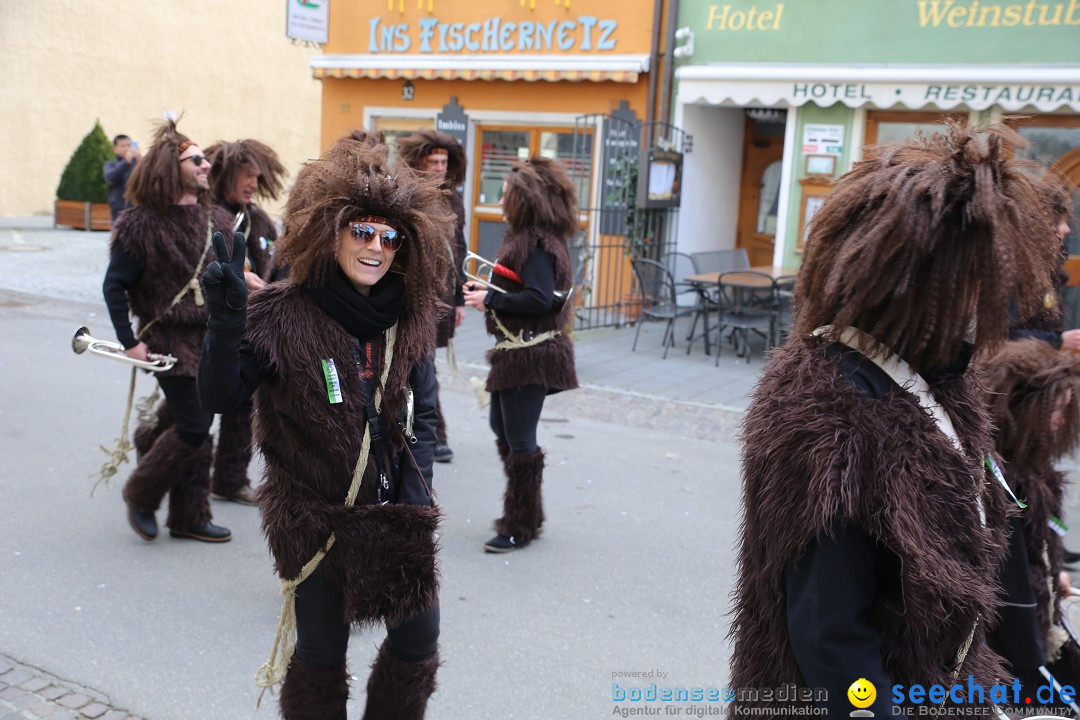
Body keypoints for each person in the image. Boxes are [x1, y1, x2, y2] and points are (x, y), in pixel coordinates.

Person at [728, 123, 1061, 716]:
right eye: (977, 282)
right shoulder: (834, 419)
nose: (993, 305)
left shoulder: (936, 376)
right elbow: (832, 641)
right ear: (913, 282)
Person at [198, 132, 449, 719]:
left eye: (389, 237)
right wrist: (225, 321)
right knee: (320, 655)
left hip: (396, 517)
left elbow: (426, 418)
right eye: (362, 232)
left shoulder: (409, 319)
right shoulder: (281, 314)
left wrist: (416, 498)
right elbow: (220, 396)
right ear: (330, 233)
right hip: (315, 524)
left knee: (417, 643)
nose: (376, 248)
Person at [101, 120, 233, 543]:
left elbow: (228, 274)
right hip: (168, 339)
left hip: (210, 337)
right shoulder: (139, 224)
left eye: (204, 158)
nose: (206, 164)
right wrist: (129, 341)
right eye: (195, 159)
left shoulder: (217, 219)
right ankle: (142, 493)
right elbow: (114, 285)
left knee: (191, 420)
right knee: (195, 427)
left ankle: (188, 516)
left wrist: (246, 282)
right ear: (168, 167)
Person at [462, 155, 578, 553]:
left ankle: (519, 525)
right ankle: (531, 513)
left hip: (532, 354)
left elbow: (538, 297)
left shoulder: (535, 243)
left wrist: (488, 298)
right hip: (520, 354)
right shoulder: (534, 237)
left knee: (520, 441)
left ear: (524, 200)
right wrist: (490, 298)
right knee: (504, 428)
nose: (500, 199)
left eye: (507, 193)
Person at [982, 338, 1080, 708]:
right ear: (1019, 408)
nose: (1060, 421)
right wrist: (1036, 673)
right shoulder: (1002, 484)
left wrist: (1055, 577)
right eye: (1053, 410)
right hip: (1011, 657)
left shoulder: (1034, 471)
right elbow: (1012, 599)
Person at [204, 138, 287, 504]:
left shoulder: (258, 219)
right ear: (225, 175)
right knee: (191, 409)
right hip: (208, 324)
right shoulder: (206, 216)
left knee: (241, 406)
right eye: (245, 175)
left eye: (257, 176)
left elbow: (273, 259)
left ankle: (230, 477)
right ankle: (154, 448)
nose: (252, 183)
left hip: (250, 323)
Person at [397, 129, 467, 464]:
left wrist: (461, 298)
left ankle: (423, 430)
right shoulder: (408, 194)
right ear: (419, 162)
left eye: (444, 161)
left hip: (443, 294)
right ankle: (431, 433)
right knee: (418, 360)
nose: (440, 167)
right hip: (414, 292)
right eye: (434, 161)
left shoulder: (454, 199)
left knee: (423, 361)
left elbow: (460, 249)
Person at [103, 134, 140, 222]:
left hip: (137, 208)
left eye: (129, 145)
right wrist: (126, 162)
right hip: (119, 209)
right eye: (123, 146)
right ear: (114, 149)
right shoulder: (111, 164)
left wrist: (140, 159)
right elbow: (110, 178)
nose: (127, 148)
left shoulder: (137, 163)